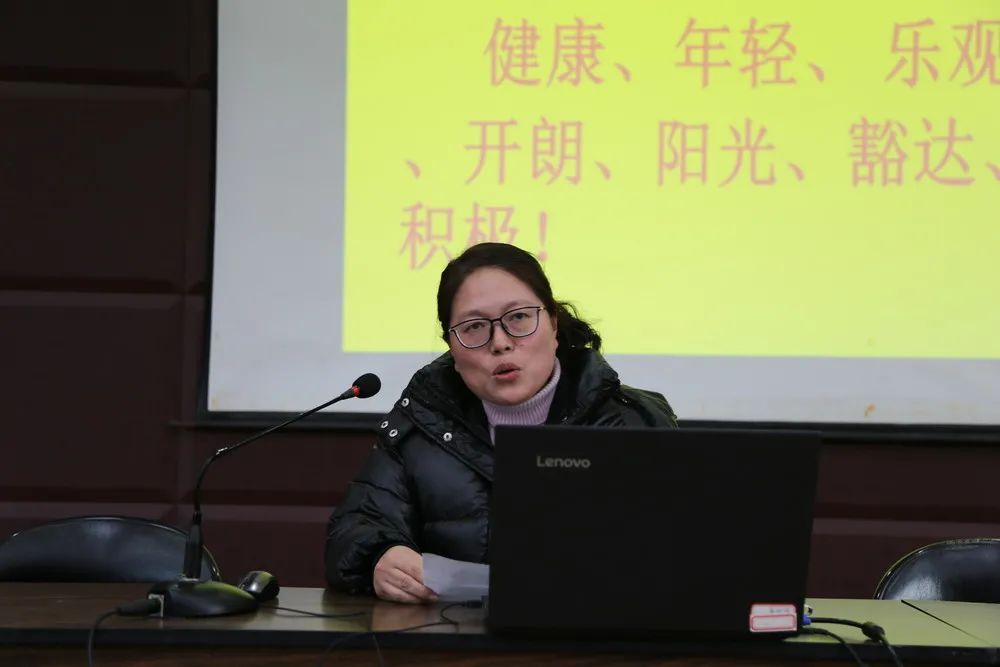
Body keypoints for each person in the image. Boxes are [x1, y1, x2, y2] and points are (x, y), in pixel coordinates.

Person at [325, 243, 677, 603]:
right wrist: (379, 556)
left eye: (519, 318)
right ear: (451, 346)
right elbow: (354, 528)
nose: (500, 343)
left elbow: (681, 545)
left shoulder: (630, 420)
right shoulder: (420, 422)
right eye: (474, 327)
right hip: (453, 633)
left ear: (554, 324)